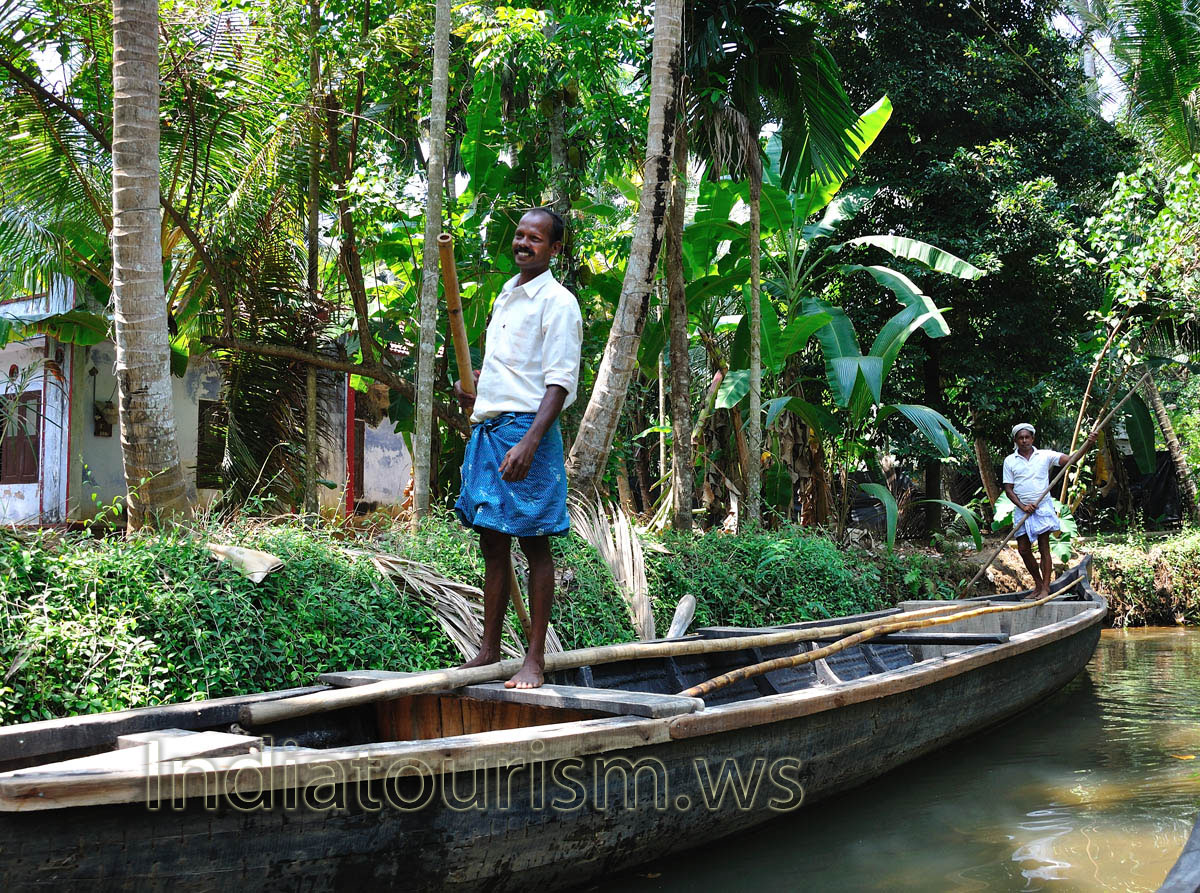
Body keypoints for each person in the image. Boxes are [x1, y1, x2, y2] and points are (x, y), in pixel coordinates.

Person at [453, 207, 582, 689]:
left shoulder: (559, 302)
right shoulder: (507, 294)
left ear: (554, 248)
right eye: (520, 235)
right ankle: (489, 650)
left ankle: (535, 660)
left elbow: (559, 381)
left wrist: (530, 442)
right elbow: (510, 371)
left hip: (530, 433)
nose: (524, 243)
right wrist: (477, 388)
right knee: (492, 542)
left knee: (535, 542)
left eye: (536, 238)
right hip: (491, 430)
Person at [1001, 423, 1097, 598]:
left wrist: (1088, 444)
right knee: (1023, 549)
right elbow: (1008, 489)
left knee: (1044, 546)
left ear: (1032, 438)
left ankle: (1045, 587)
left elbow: (1071, 460)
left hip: (1042, 507)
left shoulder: (1044, 455)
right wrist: (1023, 506)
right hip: (1023, 510)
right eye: (1021, 438)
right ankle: (1038, 584)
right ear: (1015, 440)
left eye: (1027, 437)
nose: (1024, 441)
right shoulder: (1010, 461)